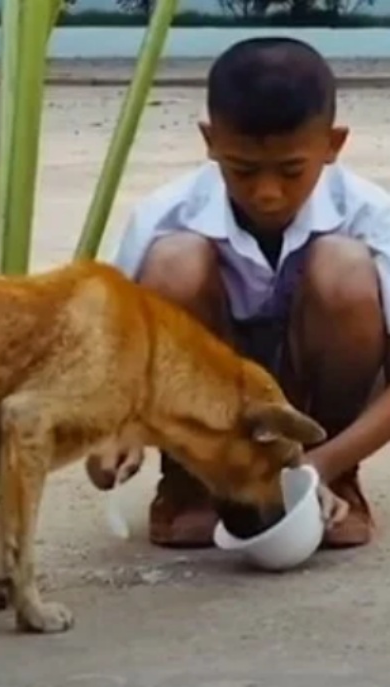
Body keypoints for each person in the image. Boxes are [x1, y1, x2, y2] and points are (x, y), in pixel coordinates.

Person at [111, 36, 390, 550]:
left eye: (290, 171)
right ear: (210, 140)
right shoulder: (163, 217)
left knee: (346, 270)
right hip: (207, 399)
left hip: (317, 407)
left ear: (334, 145)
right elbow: (118, 359)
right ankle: (189, 485)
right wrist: (118, 431)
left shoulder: (374, 219)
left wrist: (319, 464)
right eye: (242, 170)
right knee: (173, 264)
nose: (267, 192)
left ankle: (337, 482)